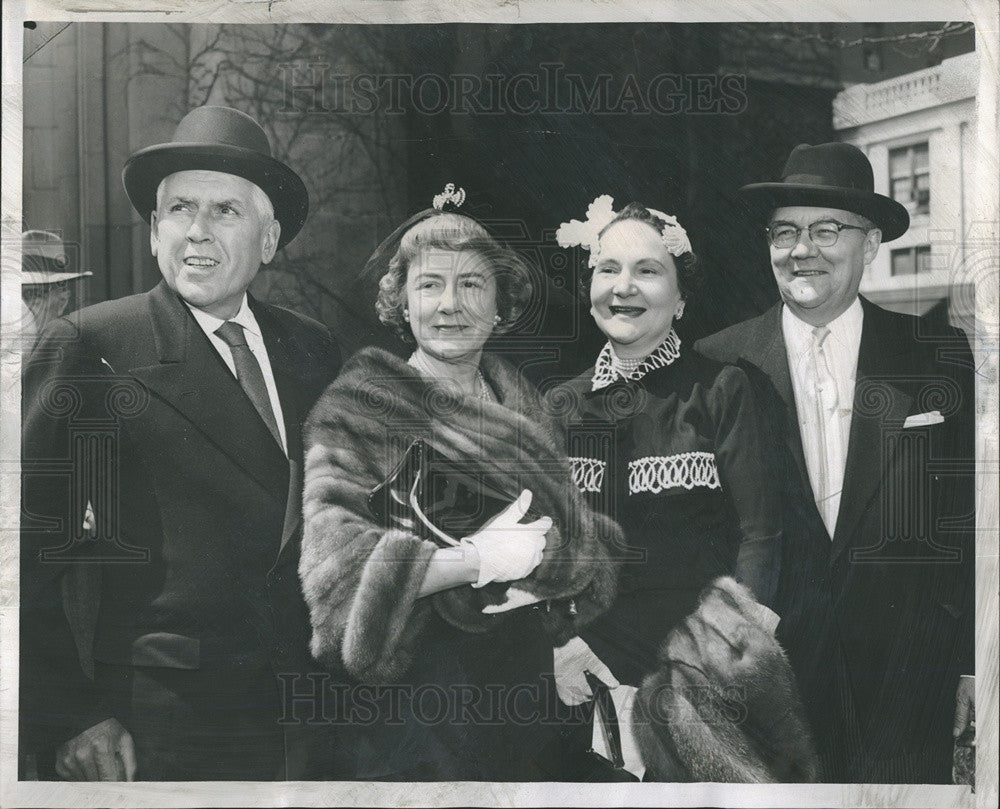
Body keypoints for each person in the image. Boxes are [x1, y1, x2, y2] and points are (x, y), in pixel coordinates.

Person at [20, 105, 341, 781]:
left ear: (270, 237)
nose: (197, 232)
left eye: (224, 210)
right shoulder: (93, 344)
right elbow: (25, 549)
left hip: (309, 715)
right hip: (163, 722)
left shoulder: (311, 349)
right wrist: (69, 711)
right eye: (178, 210)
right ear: (154, 232)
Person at [298, 185, 620, 781]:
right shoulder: (357, 412)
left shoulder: (526, 407)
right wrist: (473, 561)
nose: (451, 304)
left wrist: (565, 626)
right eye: (429, 284)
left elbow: (577, 542)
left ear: (501, 305)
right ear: (401, 304)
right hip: (414, 714)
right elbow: (336, 587)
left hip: (525, 698)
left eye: (471, 284)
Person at [696, 142, 975, 783]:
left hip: (906, 679)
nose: (803, 249)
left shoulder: (936, 353)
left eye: (828, 230)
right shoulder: (719, 364)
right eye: (785, 231)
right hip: (768, 679)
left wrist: (968, 662)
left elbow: (967, 520)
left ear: (870, 243)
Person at [550, 197, 782, 692]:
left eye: (648, 270)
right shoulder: (560, 405)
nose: (624, 286)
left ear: (680, 299)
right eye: (608, 268)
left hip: (700, 667)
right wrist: (563, 647)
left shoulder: (722, 390)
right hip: (585, 665)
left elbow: (760, 536)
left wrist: (729, 649)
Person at [16, 230, 93, 353]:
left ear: (62, 302)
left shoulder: (75, 359)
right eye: (13, 295)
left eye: (30, 294)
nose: (20, 306)